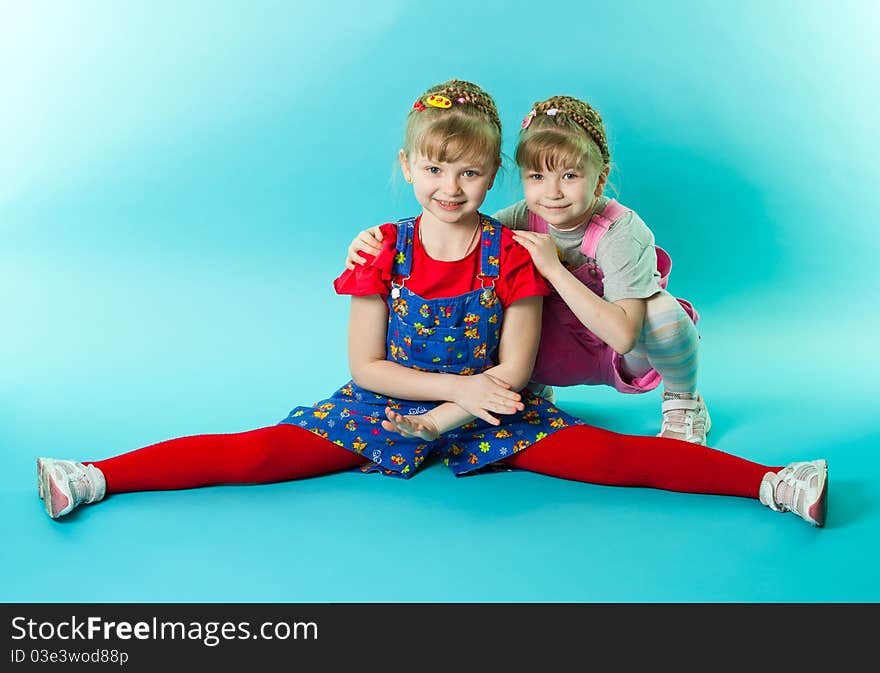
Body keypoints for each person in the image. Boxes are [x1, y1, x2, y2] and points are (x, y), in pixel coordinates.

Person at [36, 79, 827, 527]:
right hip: (393, 402)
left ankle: (773, 482)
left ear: (493, 181)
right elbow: (365, 364)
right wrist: (450, 393)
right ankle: (94, 475)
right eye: (433, 171)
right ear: (407, 166)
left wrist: (469, 404)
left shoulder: (513, 247)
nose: (451, 190)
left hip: (494, 406)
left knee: (612, 461)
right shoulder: (383, 246)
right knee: (259, 454)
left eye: (472, 176)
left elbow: (515, 370)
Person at [346, 94, 711, 444]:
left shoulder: (621, 231)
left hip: (616, 352)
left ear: (600, 178)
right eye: (537, 176)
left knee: (663, 311)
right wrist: (373, 241)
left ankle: (683, 401)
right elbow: (460, 230)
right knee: (497, 298)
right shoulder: (519, 220)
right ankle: (535, 389)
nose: (551, 192)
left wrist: (554, 269)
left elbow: (623, 337)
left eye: (569, 176)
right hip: (553, 353)